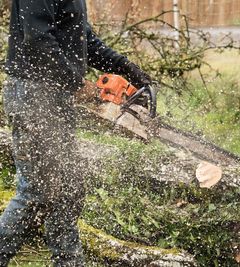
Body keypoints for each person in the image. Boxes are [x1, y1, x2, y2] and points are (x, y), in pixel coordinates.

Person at [0, 0, 151, 265]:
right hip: (33, 95)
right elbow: (37, 39)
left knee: (69, 188)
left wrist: (126, 67)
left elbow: (82, 39)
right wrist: (75, 81)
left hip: (56, 98)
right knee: (36, 191)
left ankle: (69, 262)